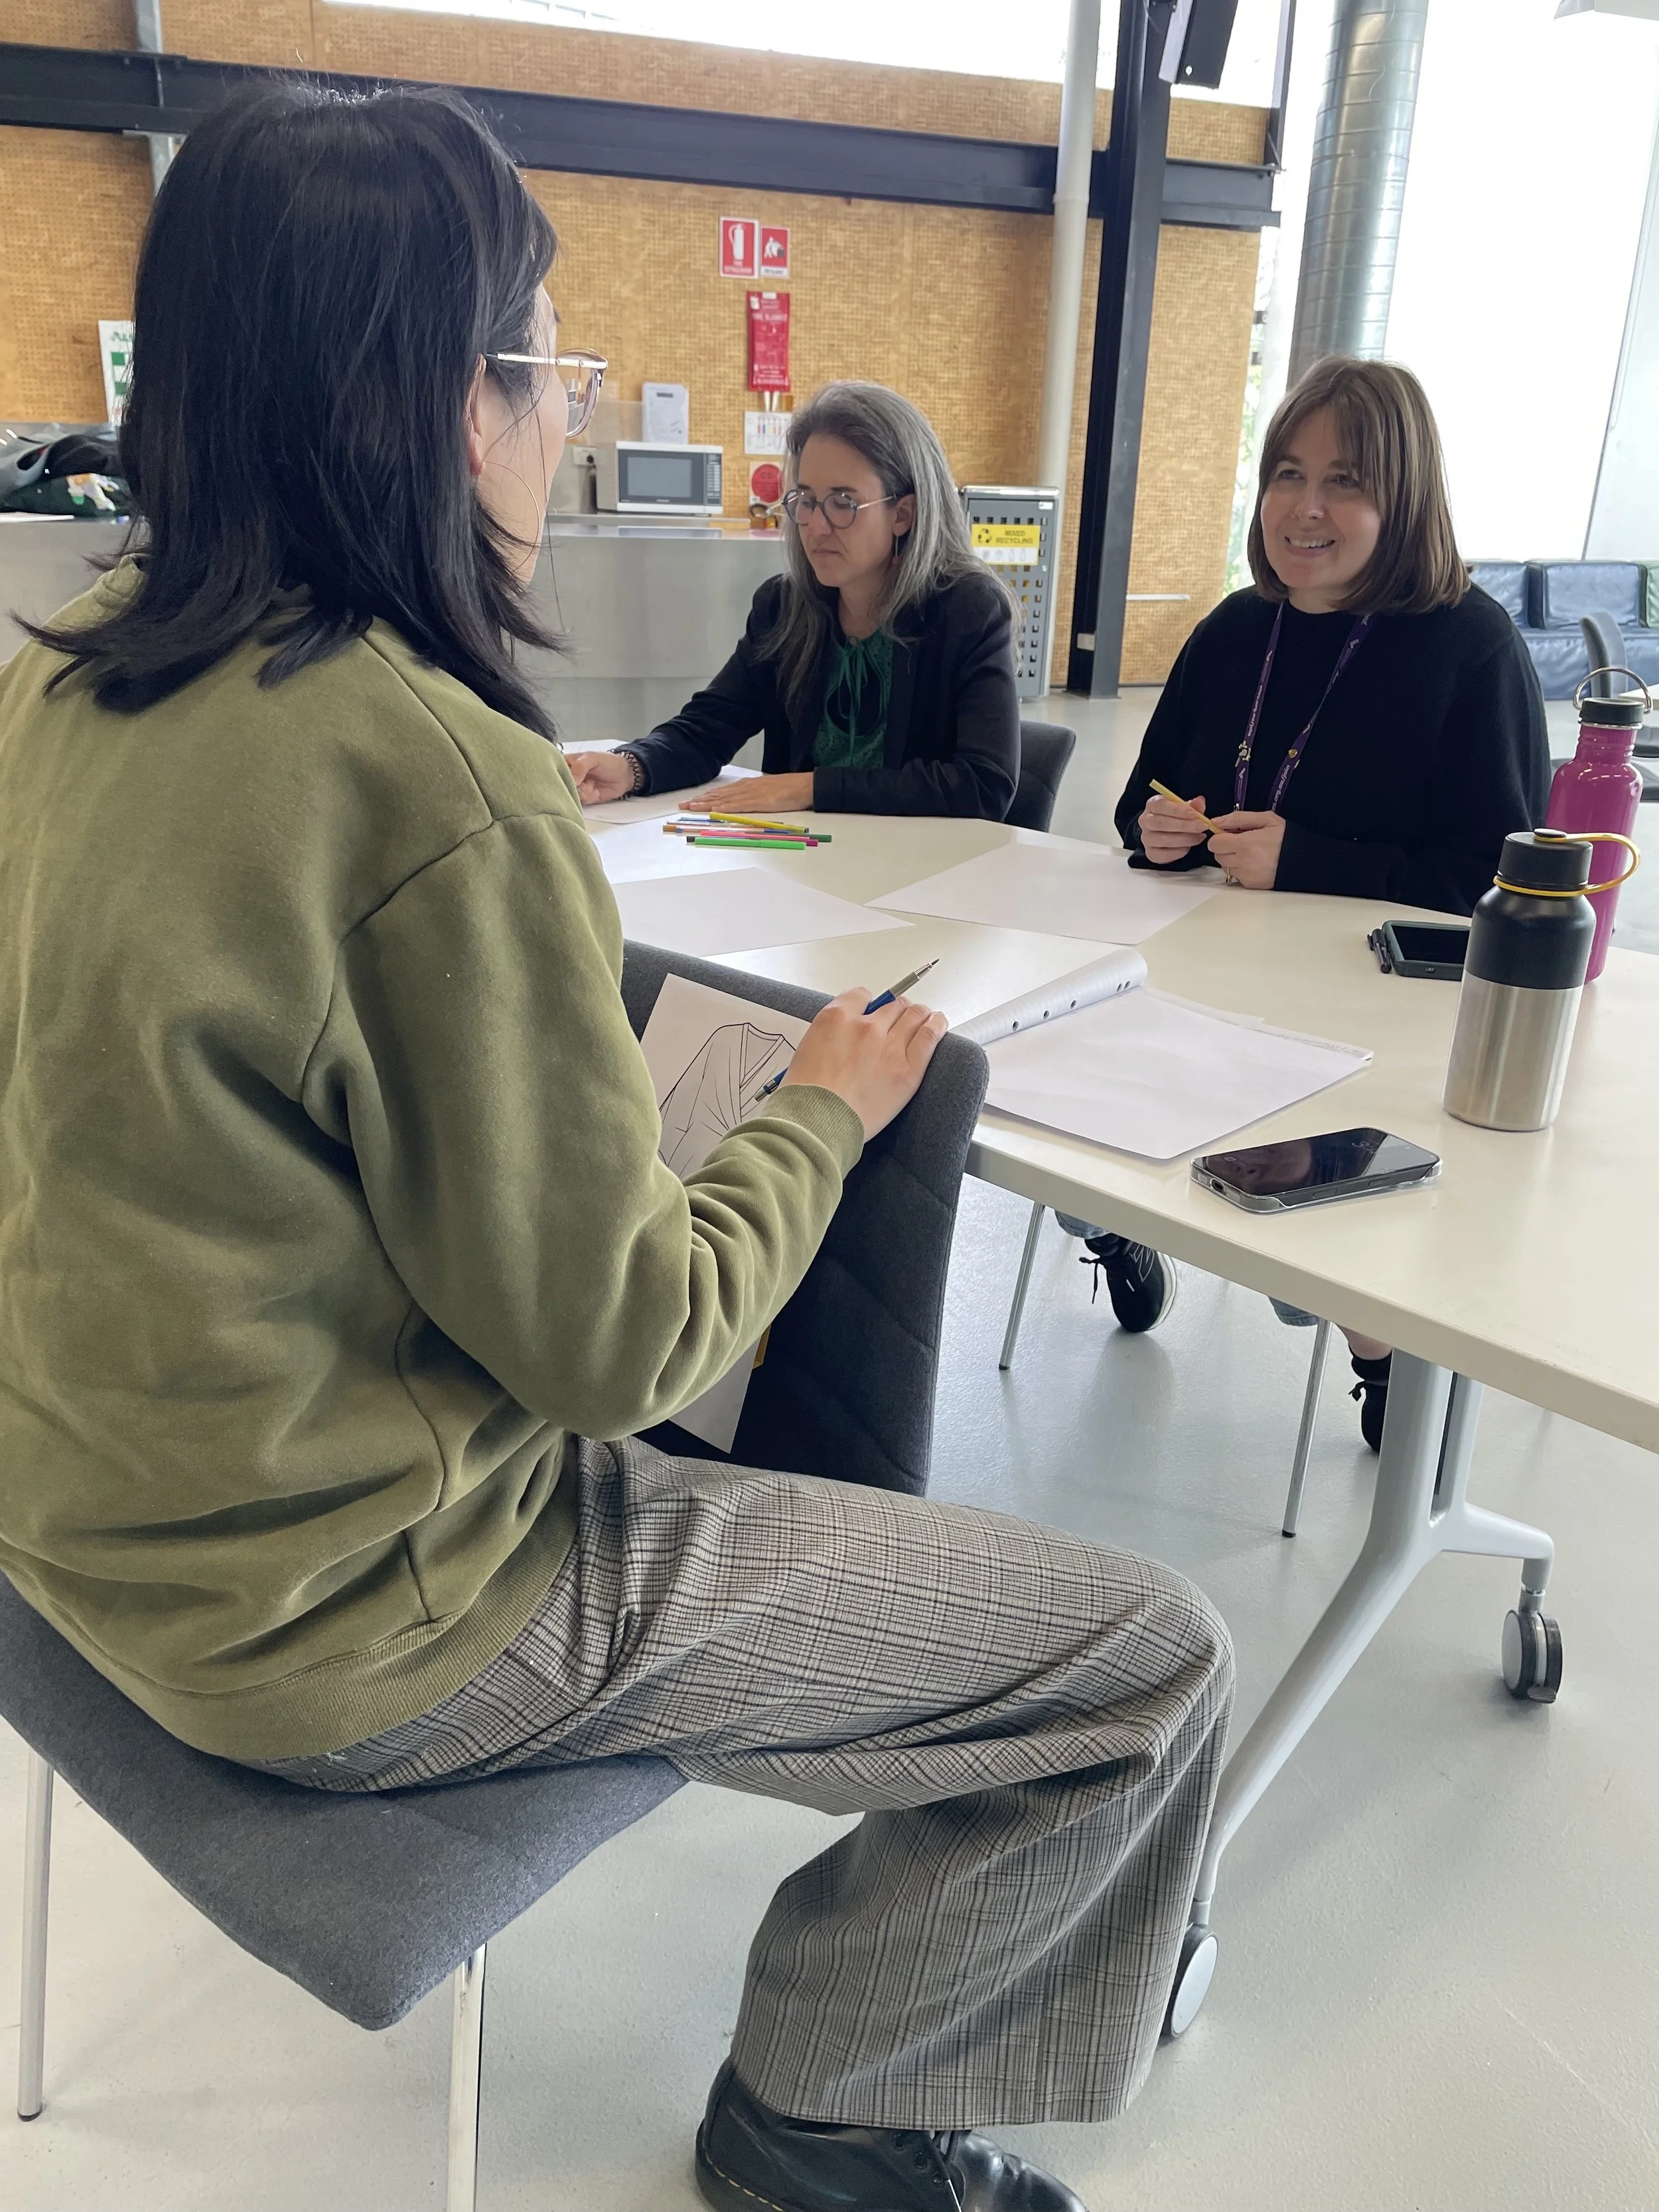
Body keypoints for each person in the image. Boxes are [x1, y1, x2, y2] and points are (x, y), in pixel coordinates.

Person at [0, 87, 1232, 2212]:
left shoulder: (60, 697)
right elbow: (621, 1354)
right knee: (1144, 1663)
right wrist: (817, 1118)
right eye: (546, 374)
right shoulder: (425, 776)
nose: (555, 431)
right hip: (351, 1614)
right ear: (441, 401)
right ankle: (823, 2119)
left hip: (89, 1523)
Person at [1066, 356, 1549, 1449]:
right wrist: (1157, 830)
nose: (1307, 508)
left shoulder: (1473, 647)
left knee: (1341, 1182)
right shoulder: (1238, 626)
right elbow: (1146, 795)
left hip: (1371, 1017)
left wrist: (1309, 859)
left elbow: (1491, 879)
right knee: (1069, 1065)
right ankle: (1115, 1225)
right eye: (1288, 472)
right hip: (1207, 975)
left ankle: (1382, 1353)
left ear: (1406, 496)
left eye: (1346, 481)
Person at [565, 380, 1021, 820]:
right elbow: (708, 729)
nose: (815, 526)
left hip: (923, 873)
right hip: (805, 864)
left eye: (843, 502)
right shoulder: (784, 608)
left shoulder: (968, 611)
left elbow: (983, 784)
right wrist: (630, 767)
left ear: (903, 514)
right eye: (805, 499)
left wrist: (810, 787)